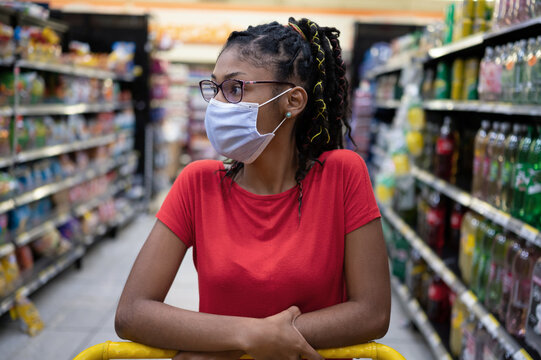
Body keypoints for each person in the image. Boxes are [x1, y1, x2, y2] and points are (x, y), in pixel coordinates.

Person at [115, 17, 391, 360]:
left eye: (235, 89)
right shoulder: (198, 183)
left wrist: (230, 344)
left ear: (292, 101)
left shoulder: (342, 175)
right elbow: (132, 313)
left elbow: (372, 312)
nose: (216, 104)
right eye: (214, 88)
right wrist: (250, 336)